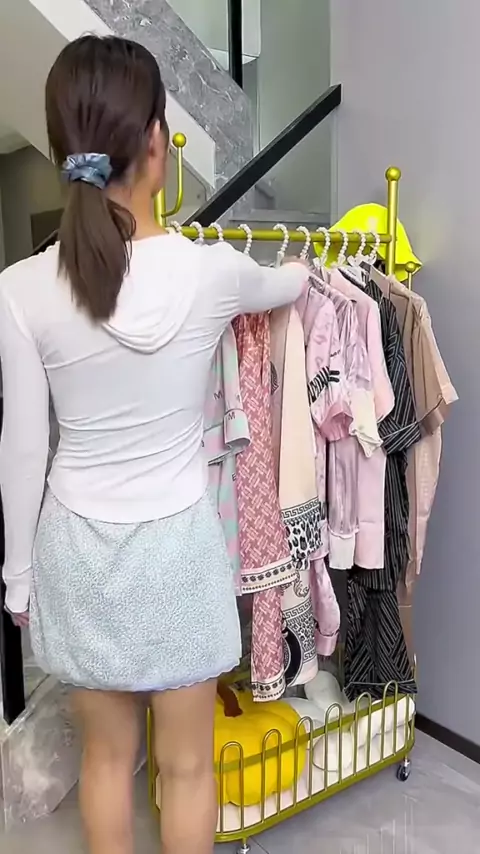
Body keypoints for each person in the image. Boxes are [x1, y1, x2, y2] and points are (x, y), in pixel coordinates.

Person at [0, 36, 308, 854]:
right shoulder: (213, 272)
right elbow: (284, 285)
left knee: (106, 763)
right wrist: (306, 270)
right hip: (178, 554)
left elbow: (21, 446)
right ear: (155, 142)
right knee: (189, 769)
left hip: (76, 550)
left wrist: (18, 576)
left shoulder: (19, 289)